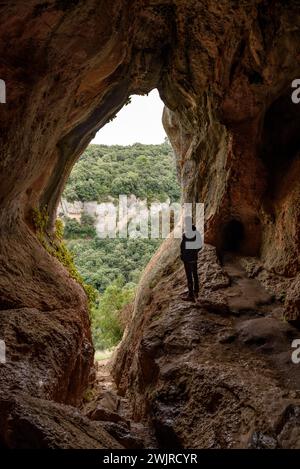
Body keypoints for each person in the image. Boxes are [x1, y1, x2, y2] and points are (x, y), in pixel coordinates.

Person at [180, 216, 203, 302]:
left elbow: (183, 247)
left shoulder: (185, 235)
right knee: (195, 274)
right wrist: (195, 252)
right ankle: (196, 291)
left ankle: (191, 295)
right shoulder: (196, 233)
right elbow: (200, 246)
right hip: (194, 258)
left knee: (189, 276)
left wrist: (184, 255)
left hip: (187, 259)